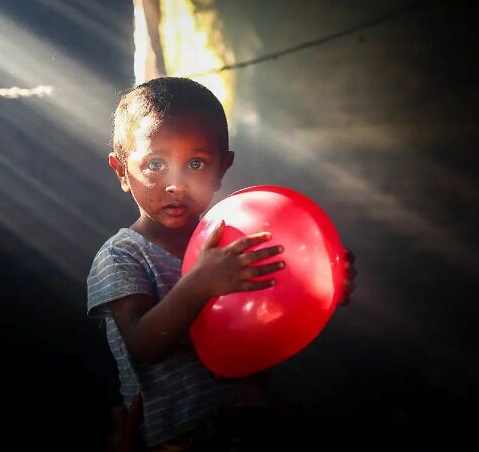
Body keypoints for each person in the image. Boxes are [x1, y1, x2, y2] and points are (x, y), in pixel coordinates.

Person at [87, 77, 356, 451]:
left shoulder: (238, 237)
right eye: (155, 164)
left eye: (196, 163)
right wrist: (200, 284)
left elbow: (275, 310)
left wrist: (322, 283)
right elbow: (144, 345)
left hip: (252, 426)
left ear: (222, 168)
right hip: (176, 440)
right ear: (121, 172)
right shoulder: (122, 254)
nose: (176, 184)